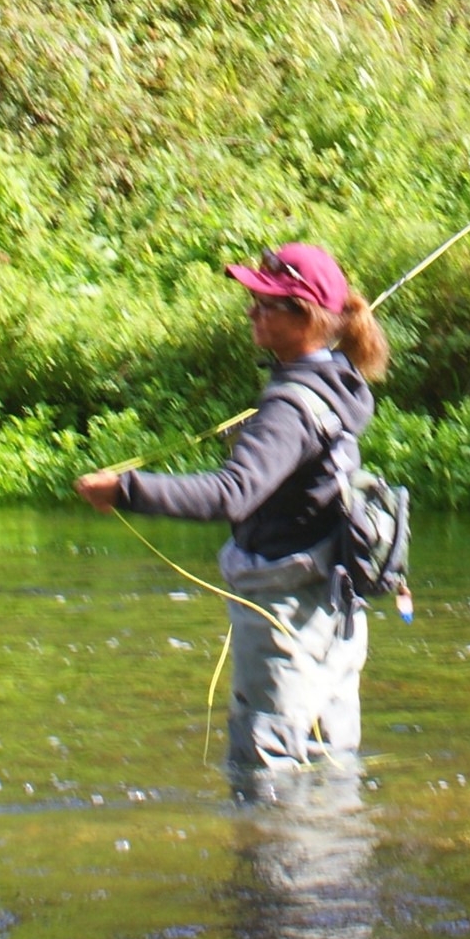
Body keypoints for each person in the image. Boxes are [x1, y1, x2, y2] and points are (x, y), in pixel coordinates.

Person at [74, 243, 389, 773]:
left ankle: (267, 856)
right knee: (330, 765)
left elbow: (230, 493)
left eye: (266, 303)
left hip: (285, 613)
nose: (252, 312)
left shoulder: (290, 409)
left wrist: (126, 490)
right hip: (333, 607)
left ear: (307, 317)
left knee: (263, 771)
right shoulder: (339, 383)